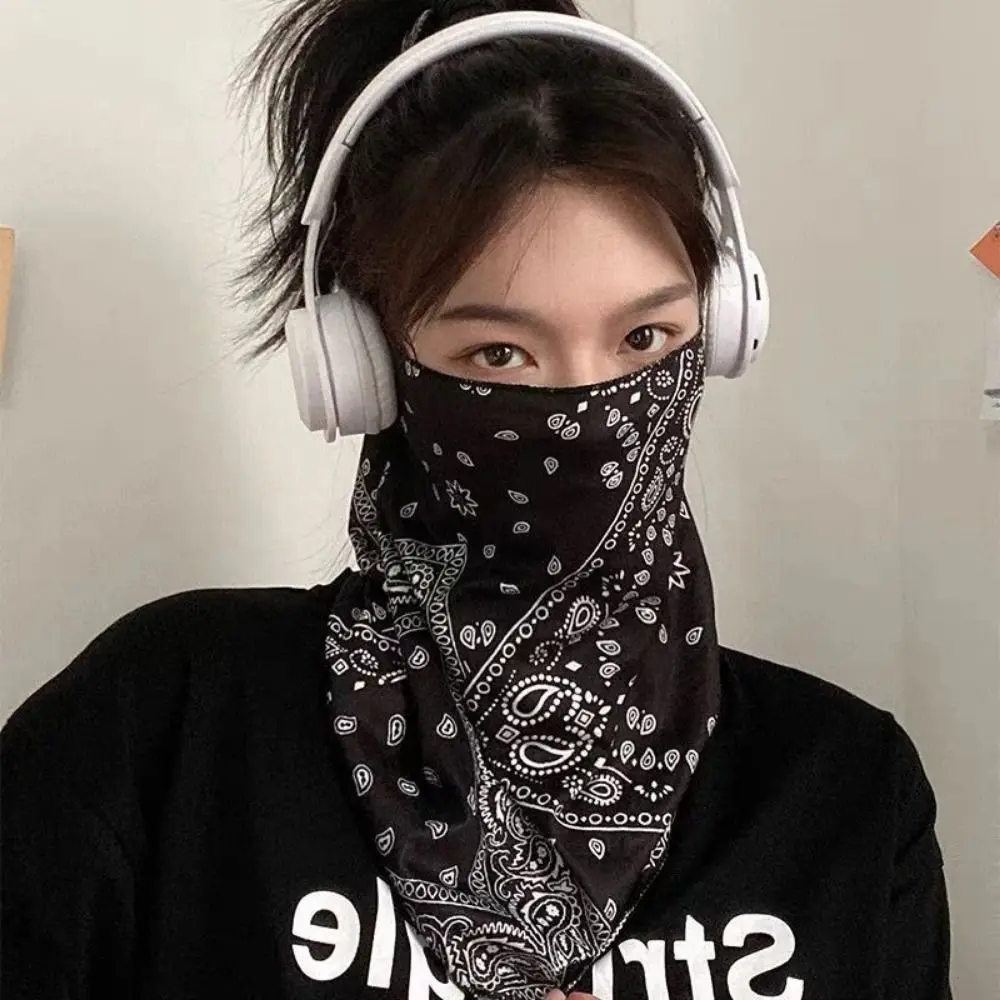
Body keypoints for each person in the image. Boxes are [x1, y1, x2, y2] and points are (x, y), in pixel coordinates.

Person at [1, 1, 952, 998]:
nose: (584, 411)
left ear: (717, 331)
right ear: (366, 368)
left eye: (643, 340)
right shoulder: (165, 721)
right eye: (497, 353)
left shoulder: (849, 788)